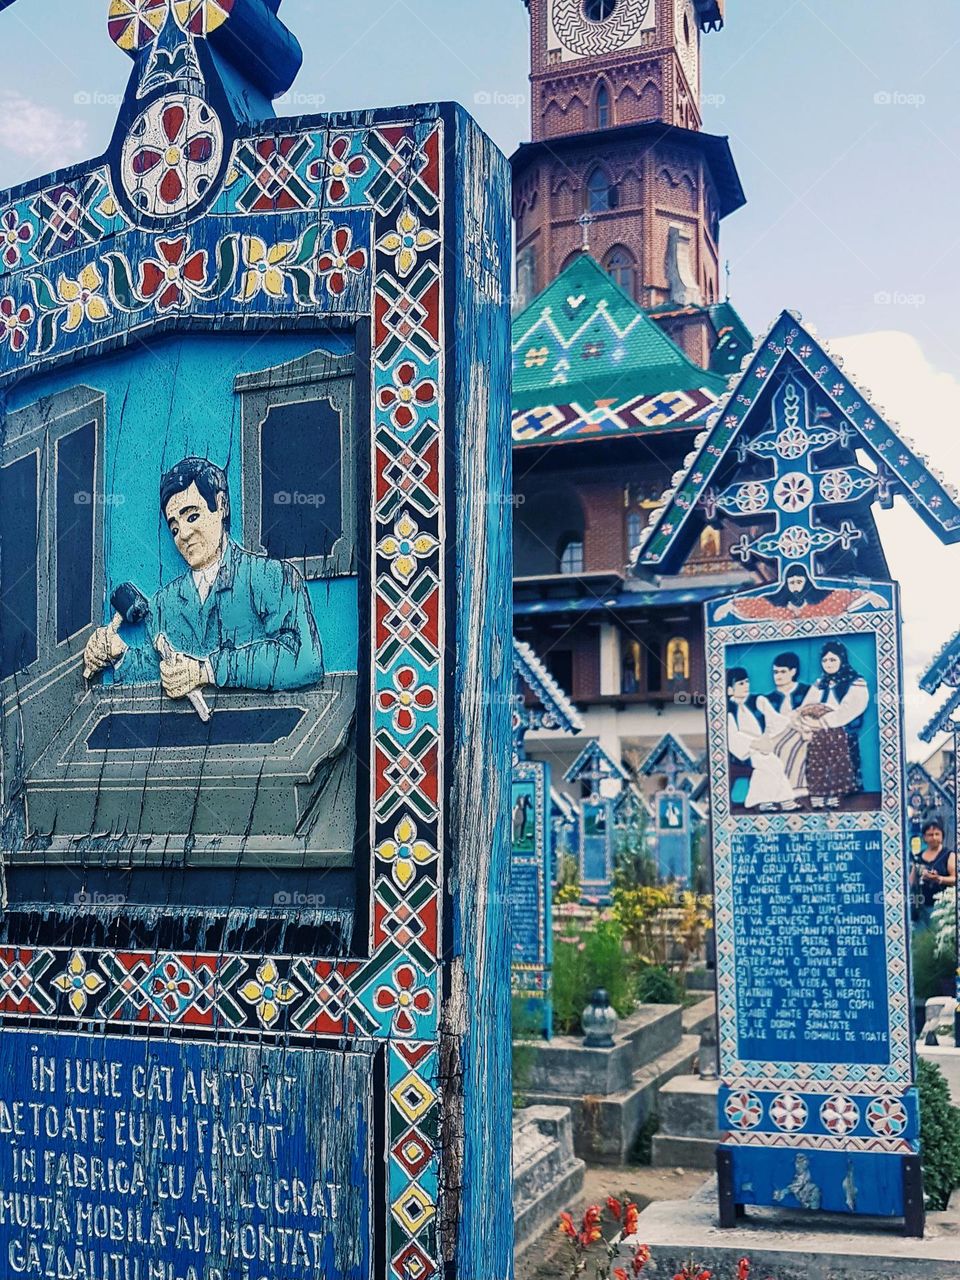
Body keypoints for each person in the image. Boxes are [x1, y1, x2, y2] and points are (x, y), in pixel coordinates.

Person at [83, 457, 325, 697]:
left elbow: (303, 660)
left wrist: (206, 671)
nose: (184, 535)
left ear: (221, 505)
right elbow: (155, 673)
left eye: (192, 516)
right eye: (174, 528)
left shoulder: (273, 578)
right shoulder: (162, 604)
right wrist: (119, 654)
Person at [800, 641, 869, 808]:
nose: (828, 665)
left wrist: (825, 721)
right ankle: (817, 795)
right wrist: (808, 721)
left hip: (840, 731)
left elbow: (851, 708)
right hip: (817, 730)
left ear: (841, 659)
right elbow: (807, 705)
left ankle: (833, 795)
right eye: (825, 661)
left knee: (835, 761)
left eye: (832, 660)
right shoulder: (821, 683)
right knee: (815, 761)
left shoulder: (855, 681)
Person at [726, 667, 797, 811]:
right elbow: (732, 737)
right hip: (742, 752)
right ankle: (780, 801)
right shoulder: (728, 710)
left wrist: (767, 737)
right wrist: (755, 744)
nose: (746, 686)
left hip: (763, 746)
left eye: (746, 682)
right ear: (729, 690)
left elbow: (774, 720)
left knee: (773, 762)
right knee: (771, 763)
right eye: (740, 684)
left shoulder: (758, 701)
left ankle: (769, 802)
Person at [715, 564, 889, 623]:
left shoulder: (822, 604)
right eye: (791, 583)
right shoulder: (775, 607)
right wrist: (729, 606)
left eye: (799, 582)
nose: (795, 587)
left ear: (807, 582)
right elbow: (754, 607)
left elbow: (845, 598)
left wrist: (869, 595)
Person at [756, 652, 811, 799]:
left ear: (793, 671)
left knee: (794, 744)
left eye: (782, 671)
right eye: (775, 672)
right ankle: (783, 788)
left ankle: (798, 786)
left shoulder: (807, 692)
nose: (778, 676)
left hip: (805, 731)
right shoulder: (769, 699)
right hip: (778, 733)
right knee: (776, 746)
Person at [910, 820, 957, 915]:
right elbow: (912, 882)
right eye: (930, 835)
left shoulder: (949, 855)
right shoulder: (918, 857)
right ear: (924, 837)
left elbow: (956, 879)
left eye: (937, 834)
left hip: (944, 907)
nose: (934, 837)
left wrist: (939, 879)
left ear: (942, 836)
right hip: (922, 907)